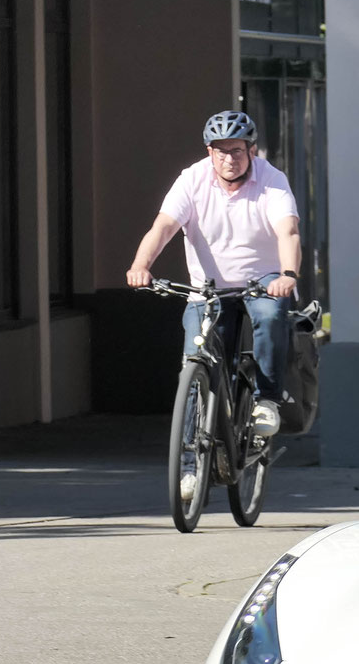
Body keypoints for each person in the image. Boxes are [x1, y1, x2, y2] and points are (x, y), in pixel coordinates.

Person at [126, 110, 300, 451]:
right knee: (196, 365)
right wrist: (140, 265)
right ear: (209, 152)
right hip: (208, 287)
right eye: (220, 150)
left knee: (269, 314)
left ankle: (266, 400)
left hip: (262, 280)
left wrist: (287, 274)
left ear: (252, 151)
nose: (228, 159)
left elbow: (288, 231)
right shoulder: (192, 180)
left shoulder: (271, 180)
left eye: (236, 150)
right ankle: (190, 465)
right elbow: (163, 228)